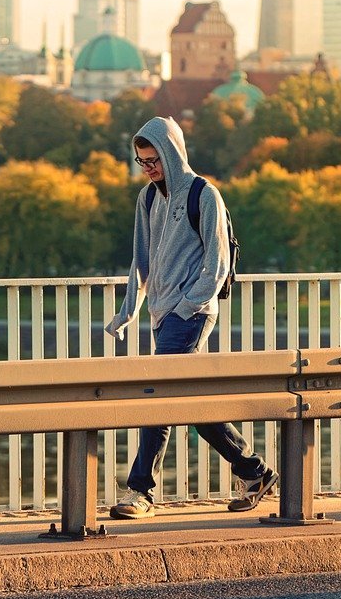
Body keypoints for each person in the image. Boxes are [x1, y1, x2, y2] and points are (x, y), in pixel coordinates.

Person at [104, 116, 278, 519]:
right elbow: (141, 262)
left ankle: (140, 491)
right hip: (162, 315)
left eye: (153, 160)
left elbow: (216, 267)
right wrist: (129, 310)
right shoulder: (147, 199)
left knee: (157, 397)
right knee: (189, 402)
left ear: (171, 152)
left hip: (192, 313)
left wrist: (186, 306)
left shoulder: (204, 195)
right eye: (141, 161)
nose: (148, 168)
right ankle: (253, 471)